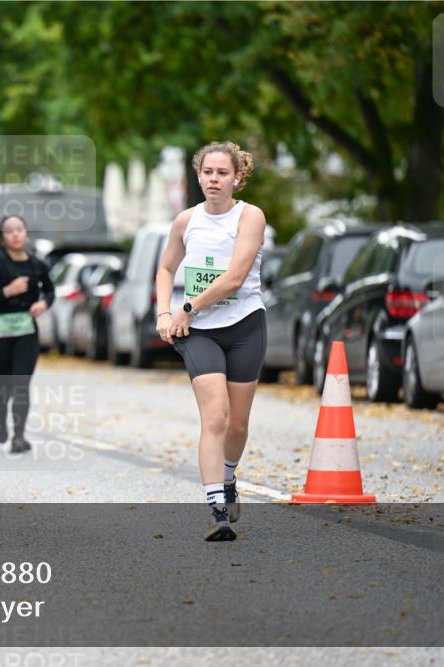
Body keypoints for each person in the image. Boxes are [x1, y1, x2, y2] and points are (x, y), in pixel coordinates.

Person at [155, 141, 267, 542]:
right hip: (199, 332)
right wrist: (165, 312)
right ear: (198, 175)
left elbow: (235, 278)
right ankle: (217, 508)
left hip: (244, 325)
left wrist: (189, 307)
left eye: (222, 173)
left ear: (237, 177)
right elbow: (167, 267)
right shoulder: (186, 221)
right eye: (207, 172)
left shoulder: (250, 216)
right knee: (215, 416)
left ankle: (230, 474)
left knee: (237, 423)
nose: (214, 180)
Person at [0, 215, 55, 454]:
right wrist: (7, 291)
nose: (15, 234)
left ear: (26, 233)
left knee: (21, 383)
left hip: (26, 330)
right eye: (9, 231)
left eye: (19, 229)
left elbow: (50, 291)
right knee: (6, 383)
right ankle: (1, 415)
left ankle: (19, 437)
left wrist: (43, 304)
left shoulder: (37, 264)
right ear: (2, 237)